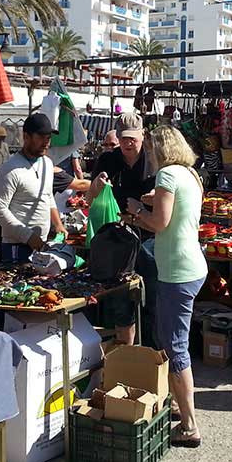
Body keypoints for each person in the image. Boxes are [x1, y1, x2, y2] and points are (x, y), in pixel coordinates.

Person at [126, 125, 207, 448]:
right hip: (191, 266)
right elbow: (177, 213)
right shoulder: (190, 174)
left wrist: (137, 210)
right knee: (170, 338)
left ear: (158, 150)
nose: (147, 156)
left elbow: (159, 223)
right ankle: (177, 403)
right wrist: (154, 201)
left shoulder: (167, 175)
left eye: (149, 151)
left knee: (175, 346)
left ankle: (189, 426)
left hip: (178, 271)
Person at [88, 113, 156, 346]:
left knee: (152, 296)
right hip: (118, 236)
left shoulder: (154, 160)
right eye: (123, 138)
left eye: (132, 139)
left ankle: (151, 351)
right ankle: (126, 352)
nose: (128, 143)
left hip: (149, 234)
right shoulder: (108, 160)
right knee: (121, 300)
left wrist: (153, 200)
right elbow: (90, 198)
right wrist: (96, 187)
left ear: (142, 136)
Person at [0, 113, 68, 263]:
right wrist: (28, 236)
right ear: (26, 136)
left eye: (48, 138)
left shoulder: (47, 163)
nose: (46, 143)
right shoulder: (10, 169)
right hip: (16, 246)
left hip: (41, 243)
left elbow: (47, 196)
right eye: (41, 137)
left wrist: (58, 224)